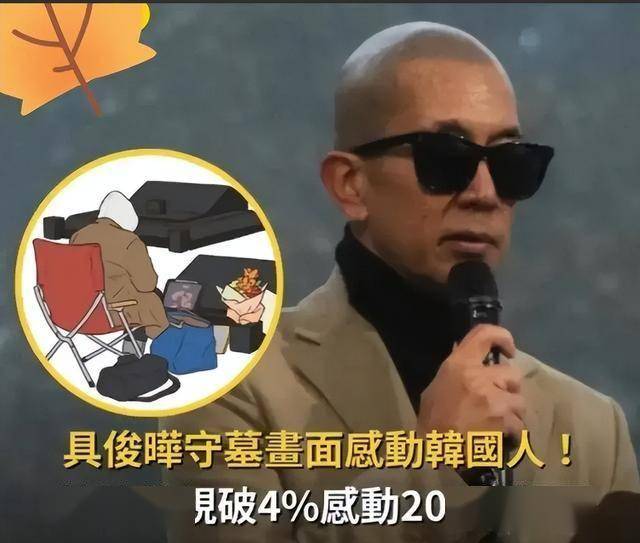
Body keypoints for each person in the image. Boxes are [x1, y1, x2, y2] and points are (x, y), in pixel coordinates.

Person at [159, 22, 639, 542]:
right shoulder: (229, 385)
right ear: (350, 184)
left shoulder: (594, 427)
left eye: (510, 164)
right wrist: (434, 468)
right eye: (446, 159)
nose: (484, 193)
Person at [71, 191, 169, 350]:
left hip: (78, 312)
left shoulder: (79, 236)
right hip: (111, 312)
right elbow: (147, 284)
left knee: (140, 300)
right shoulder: (129, 241)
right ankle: (136, 354)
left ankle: (131, 355)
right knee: (152, 299)